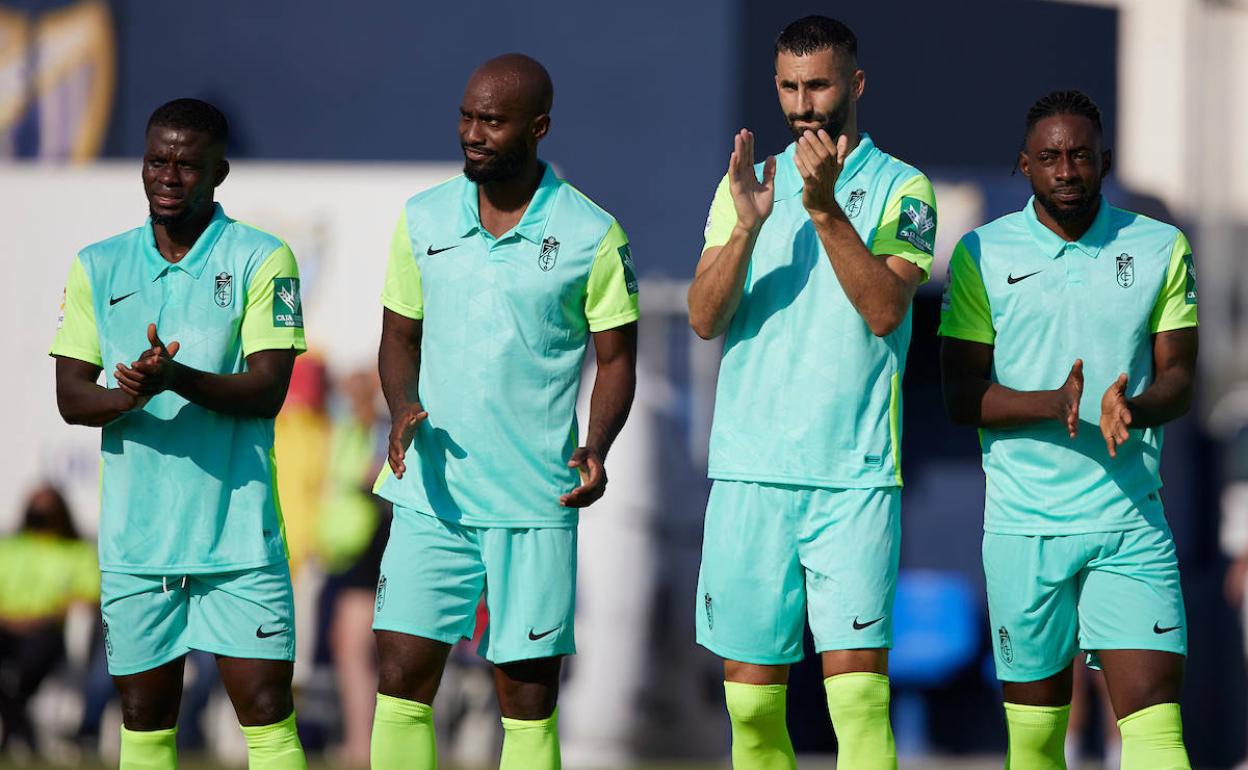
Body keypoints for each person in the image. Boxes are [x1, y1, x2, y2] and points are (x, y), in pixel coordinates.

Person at [368, 53, 639, 770]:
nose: (472, 132)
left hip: (534, 499)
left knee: (525, 700)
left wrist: (598, 446)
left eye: (492, 120)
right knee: (399, 680)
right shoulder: (422, 217)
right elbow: (399, 336)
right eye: (466, 116)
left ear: (538, 126)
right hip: (432, 495)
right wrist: (403, 407)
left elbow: (617, 361)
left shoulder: (592, 233)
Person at [687, 15, 937, 770]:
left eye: (819, 84)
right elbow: (703, 318)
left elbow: (887, 310)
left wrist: (824, 208)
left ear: (854, 85)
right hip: (749, 473)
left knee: (858, 703)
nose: (804, 103)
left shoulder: (904, 187)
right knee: (752, 709)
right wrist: (746, 230)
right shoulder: (744, 186)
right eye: (790, 87)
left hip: (852, 478)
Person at [940, 89, 1196, 769]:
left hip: (1129, 524)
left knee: (1157, 732)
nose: (1067, 169)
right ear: (1024, 166)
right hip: (1025, 528)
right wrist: (1052, 402)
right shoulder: (980, 255)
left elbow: (1180, 379)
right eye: (1050, 156)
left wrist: (1132, 408)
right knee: (1036, 742)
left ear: (1104, 160)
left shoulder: (1159, 246)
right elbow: (961, 394)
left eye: (1080, 154)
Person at [51, 97, 308, 770]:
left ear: (219, 172)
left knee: (266, 714)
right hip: (138, 542)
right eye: (156, 161)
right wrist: (126, 393)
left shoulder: (264, 258)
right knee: (143, 718)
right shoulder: (97, 265)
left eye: (187, 165)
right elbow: (72, 399)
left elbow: (268, 390)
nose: (168, 176)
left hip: (239, 539)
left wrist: (175, 378)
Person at [0, 485, 98, 757]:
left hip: (47, 630)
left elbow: (88, 597)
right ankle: (22, 729)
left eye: (47, 505)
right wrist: (12, 620)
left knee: (30, 665)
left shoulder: (76, 551)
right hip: (6, 626)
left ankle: (14, 728)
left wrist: (41, 617)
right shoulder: (9, 548)